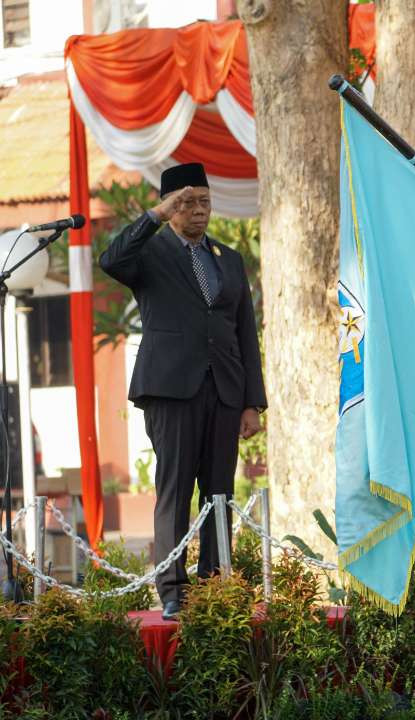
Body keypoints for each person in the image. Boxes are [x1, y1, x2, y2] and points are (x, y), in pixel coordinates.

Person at [99, 163, 265, 620]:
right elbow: (111, 259)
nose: (197, 211)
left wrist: (252, 402)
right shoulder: (150, 254)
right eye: (186, 203)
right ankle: (173, 588)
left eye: (203, 202)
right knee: (174, 489)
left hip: (225, 389)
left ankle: (215, 581)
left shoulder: (227, 258)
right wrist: (154, 216)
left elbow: (243, 331)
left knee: (219, 491)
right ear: (170, 207)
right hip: (171, 389)